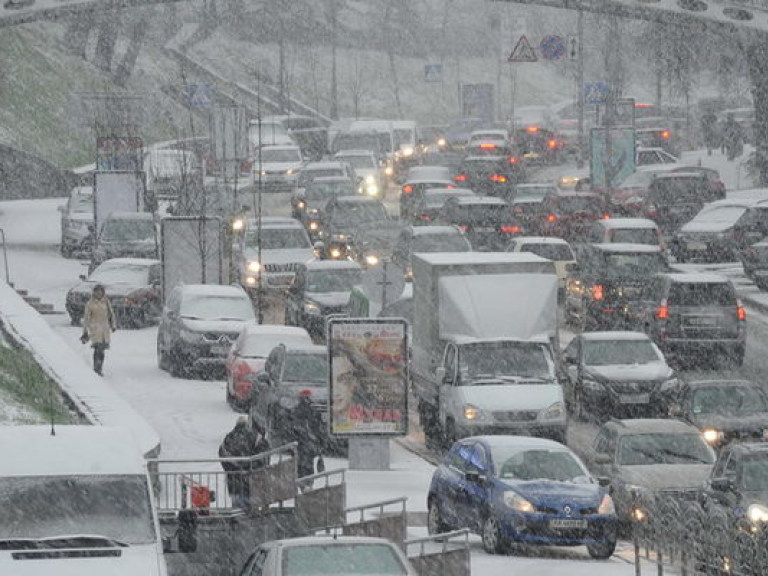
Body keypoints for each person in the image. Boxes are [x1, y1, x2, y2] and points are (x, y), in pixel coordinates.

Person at [218, 416, 270, 509]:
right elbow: (264, 455)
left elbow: (222, 453)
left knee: (238, 508)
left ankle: (239, 519)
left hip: (234, 481)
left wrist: (231, 469)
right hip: (252, 481)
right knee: (252, 511)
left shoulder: (229, 438)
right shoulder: (255, 436)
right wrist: (253, 467)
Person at [291, 391, 325, 491]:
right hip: (309, 444)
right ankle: (308, 484)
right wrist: (319, 442)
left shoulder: (295, 411)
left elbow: (291, 429)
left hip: (300, 444)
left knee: (300, 465)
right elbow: (318, 429)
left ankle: (303, 484)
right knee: (308, 465)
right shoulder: (313, 412)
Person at [81, 284, 116, 376]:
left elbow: (111, 314)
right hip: (95, 329)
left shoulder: (106, 302)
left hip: (105, 329)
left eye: (100, 292)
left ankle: (100, 367)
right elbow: (86, 318)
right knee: (98, 348)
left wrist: (113, 325)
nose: (99, 293)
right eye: (97, 292)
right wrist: (85, 331)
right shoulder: (90, 304)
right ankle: (96, 367)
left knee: (102, 349)